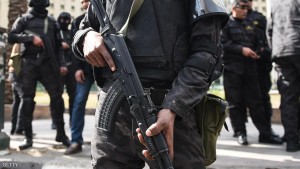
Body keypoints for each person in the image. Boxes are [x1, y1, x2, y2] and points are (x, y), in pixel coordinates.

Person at [72, 0, 229, 168]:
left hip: (171, 114)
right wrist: (86, 37)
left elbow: (207, 55)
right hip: (113, 114)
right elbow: (84, 28)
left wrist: (173, 107)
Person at [7, 0, 71, 150]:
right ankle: (28, 138)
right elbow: (11, 36)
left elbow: (59, 47)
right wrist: (30, 38)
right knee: (27, 99)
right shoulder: (23, 19)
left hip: (48, 64)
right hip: (29, 64)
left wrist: (62, 65)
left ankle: (61, 134)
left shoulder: (52, 22)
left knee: (57, 98)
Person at [221, 0, 282, 146]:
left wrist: (259, 51)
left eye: (247, 8)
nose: (246, 10)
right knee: (236, 103)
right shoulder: (225, 23)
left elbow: (259, 41)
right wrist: (241, 50)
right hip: (232, 70)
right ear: (234, 7)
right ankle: (241, 133)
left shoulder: (250, 23)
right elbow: (223, 44)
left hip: (251, 69)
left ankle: (265, 134)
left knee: (257, 103)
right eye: (242, 7)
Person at [266, 0, 300, 152]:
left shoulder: (275, 3)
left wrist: (274, 51)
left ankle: (292, 141)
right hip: (297, 47)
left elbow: (269, 30)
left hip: (281, 52)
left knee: (288, 98)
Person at [64, 0, 95, 155]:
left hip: (107, 70)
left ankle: (101, 142)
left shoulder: (107, 18)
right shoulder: (77, 21)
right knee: (78, 103)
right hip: (85, 70)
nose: (85, 4)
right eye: (83, 2)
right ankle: (76, 141)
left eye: (87, 1)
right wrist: (76, 69)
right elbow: (73, 48)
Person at [51, 12, 77, 129]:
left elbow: (76, 47)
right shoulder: (55, 33)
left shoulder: (71, 33)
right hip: (58, 68)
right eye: (62, 19)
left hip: (71, 68)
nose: (64, 22)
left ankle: (73, 121)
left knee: (73, 96)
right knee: (56, 96)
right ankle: (56, 121)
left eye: (67, 19)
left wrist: (68, 45)